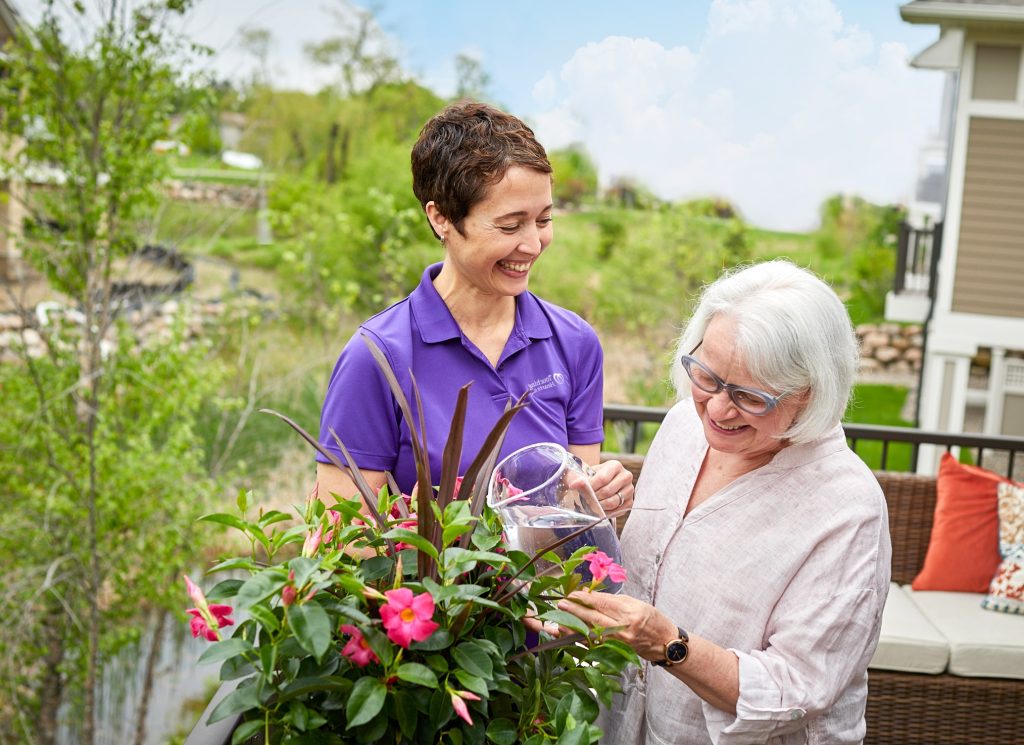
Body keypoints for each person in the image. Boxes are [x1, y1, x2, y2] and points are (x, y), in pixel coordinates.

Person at [558, 260, 892, 744]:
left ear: (812, 392)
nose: (716, 408)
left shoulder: (847, 508)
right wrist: (608, 512)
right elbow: (664, 559)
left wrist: (669, 644)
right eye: (707, 376)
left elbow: (797, 688)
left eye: (749, 396)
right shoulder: (683, 429)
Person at [316, 101, 633, 513]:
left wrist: (601, 496)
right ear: (442, 218)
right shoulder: (378, 356)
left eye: (544, 219)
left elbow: (572, 510)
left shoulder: (574, 343)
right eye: (509, 225)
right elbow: (344, 541)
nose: (534, 245)